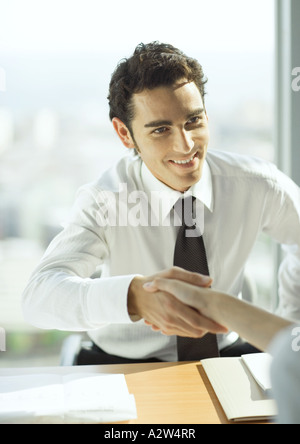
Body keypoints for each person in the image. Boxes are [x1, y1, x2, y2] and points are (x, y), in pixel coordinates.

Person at [22, 42, 300, 364]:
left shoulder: (256, 185)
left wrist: (288, 325)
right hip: (123, 364)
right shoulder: (105, 200)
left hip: (229, 355)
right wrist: (133, 297)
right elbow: (38, 297)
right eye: (161, 129)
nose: (186, 146)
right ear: (125, 134)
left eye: (193, 121)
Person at [142, 272, 300, 424]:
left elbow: (291, 351)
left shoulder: (287, 361)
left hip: (229, 351)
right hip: (135, 360)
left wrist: (212, 304)